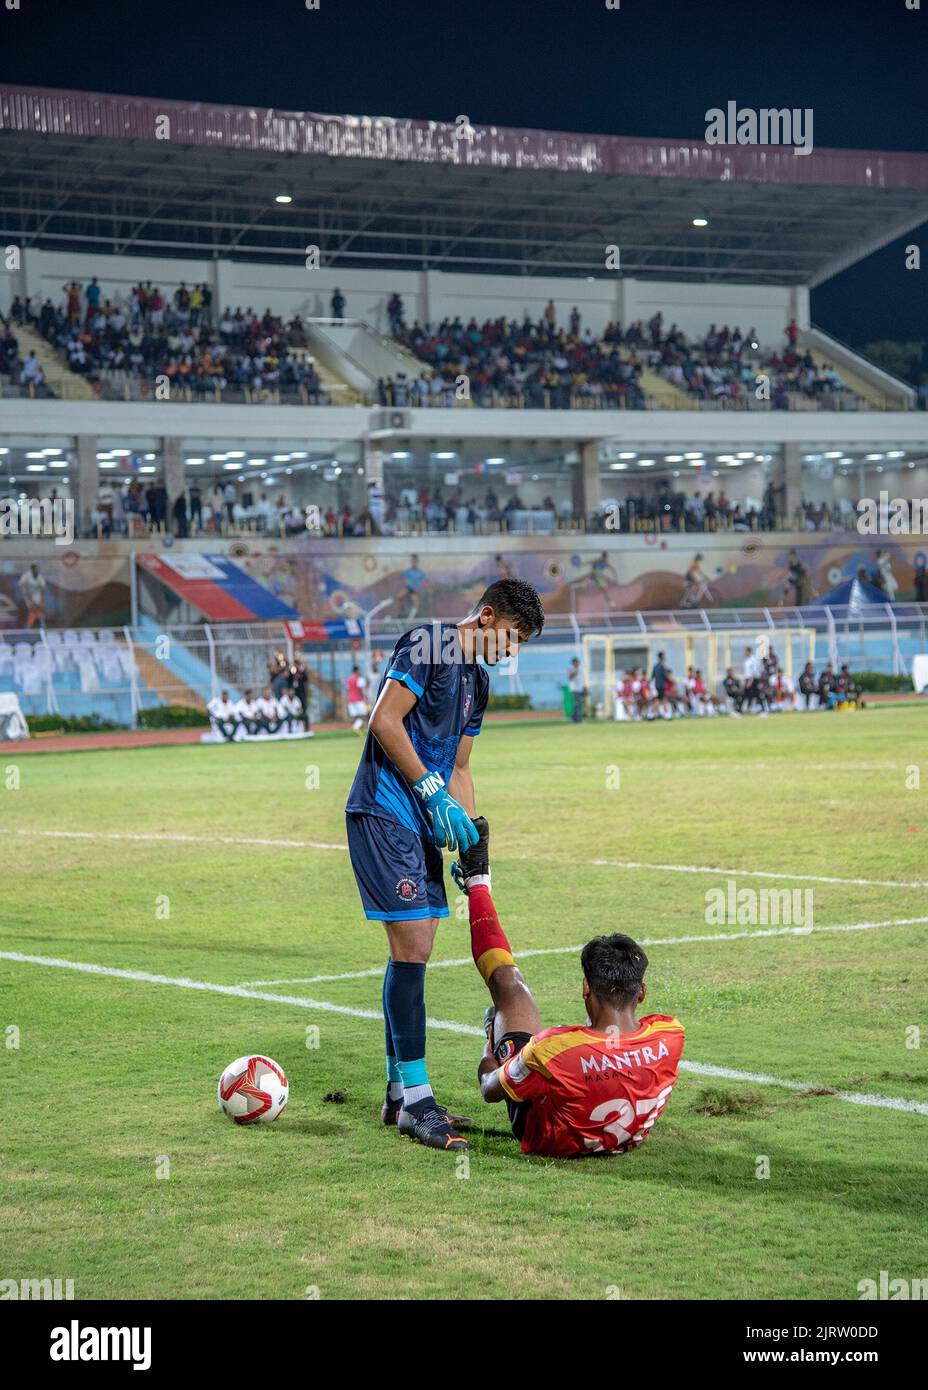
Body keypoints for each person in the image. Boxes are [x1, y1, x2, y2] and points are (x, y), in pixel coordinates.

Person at [345, 578, 545, 1152]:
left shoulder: (476, 682)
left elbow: (460, 765)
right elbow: (383, 721)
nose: (513, 652)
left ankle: (397, 1093)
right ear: (486, 617)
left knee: (414, 948)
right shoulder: (429, 643)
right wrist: (430, 791)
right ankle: (417, 1101)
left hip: (422, 822)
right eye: (512, 637)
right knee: (415, 946)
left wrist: (473, 841)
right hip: (385, 810)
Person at [450, 818, 684, 1158]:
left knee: (509, 987)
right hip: (625, 1137)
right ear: (642, 992)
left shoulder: (554, 1048)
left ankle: (477, 881)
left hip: (550, 1137)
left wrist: (489, 1044)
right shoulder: (670, 1034)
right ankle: (478, 877)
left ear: (585, 988)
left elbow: (488, 1089)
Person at [19, 563, 47, 628]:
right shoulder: (26, 575)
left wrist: (42, 601)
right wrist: (31, 601)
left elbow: (42, 588)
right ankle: (29, 626)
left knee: (40, 608)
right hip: (27, 595)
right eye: (36, 569)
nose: (38, 570)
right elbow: (23, 587)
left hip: (37, 595)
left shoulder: (40, 576)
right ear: (32, 569)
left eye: (38, 569)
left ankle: (42, 624)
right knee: (32, 608)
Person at [345, 664, 368, 732]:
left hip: (351, 699)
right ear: (357, 670)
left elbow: (348, 689)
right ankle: (361, 728)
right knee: (364, 714)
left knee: (355, 716)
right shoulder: (360, 679)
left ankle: (357, 729)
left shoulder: (349, 679)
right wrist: (366, 698)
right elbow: (361, 689)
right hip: (359, 699)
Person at [566, 656, 585, 722]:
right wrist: (575, 670)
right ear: (573, 663)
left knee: (579, 704)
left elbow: (582, 680)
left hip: (580, 689)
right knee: (577, 704)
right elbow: (570, 677)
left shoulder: (580, 670)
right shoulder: (571, 669)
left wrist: (584, 688)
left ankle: (574, 717)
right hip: (574, 689)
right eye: (576, 662)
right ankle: (577, 719)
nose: (578, 664)